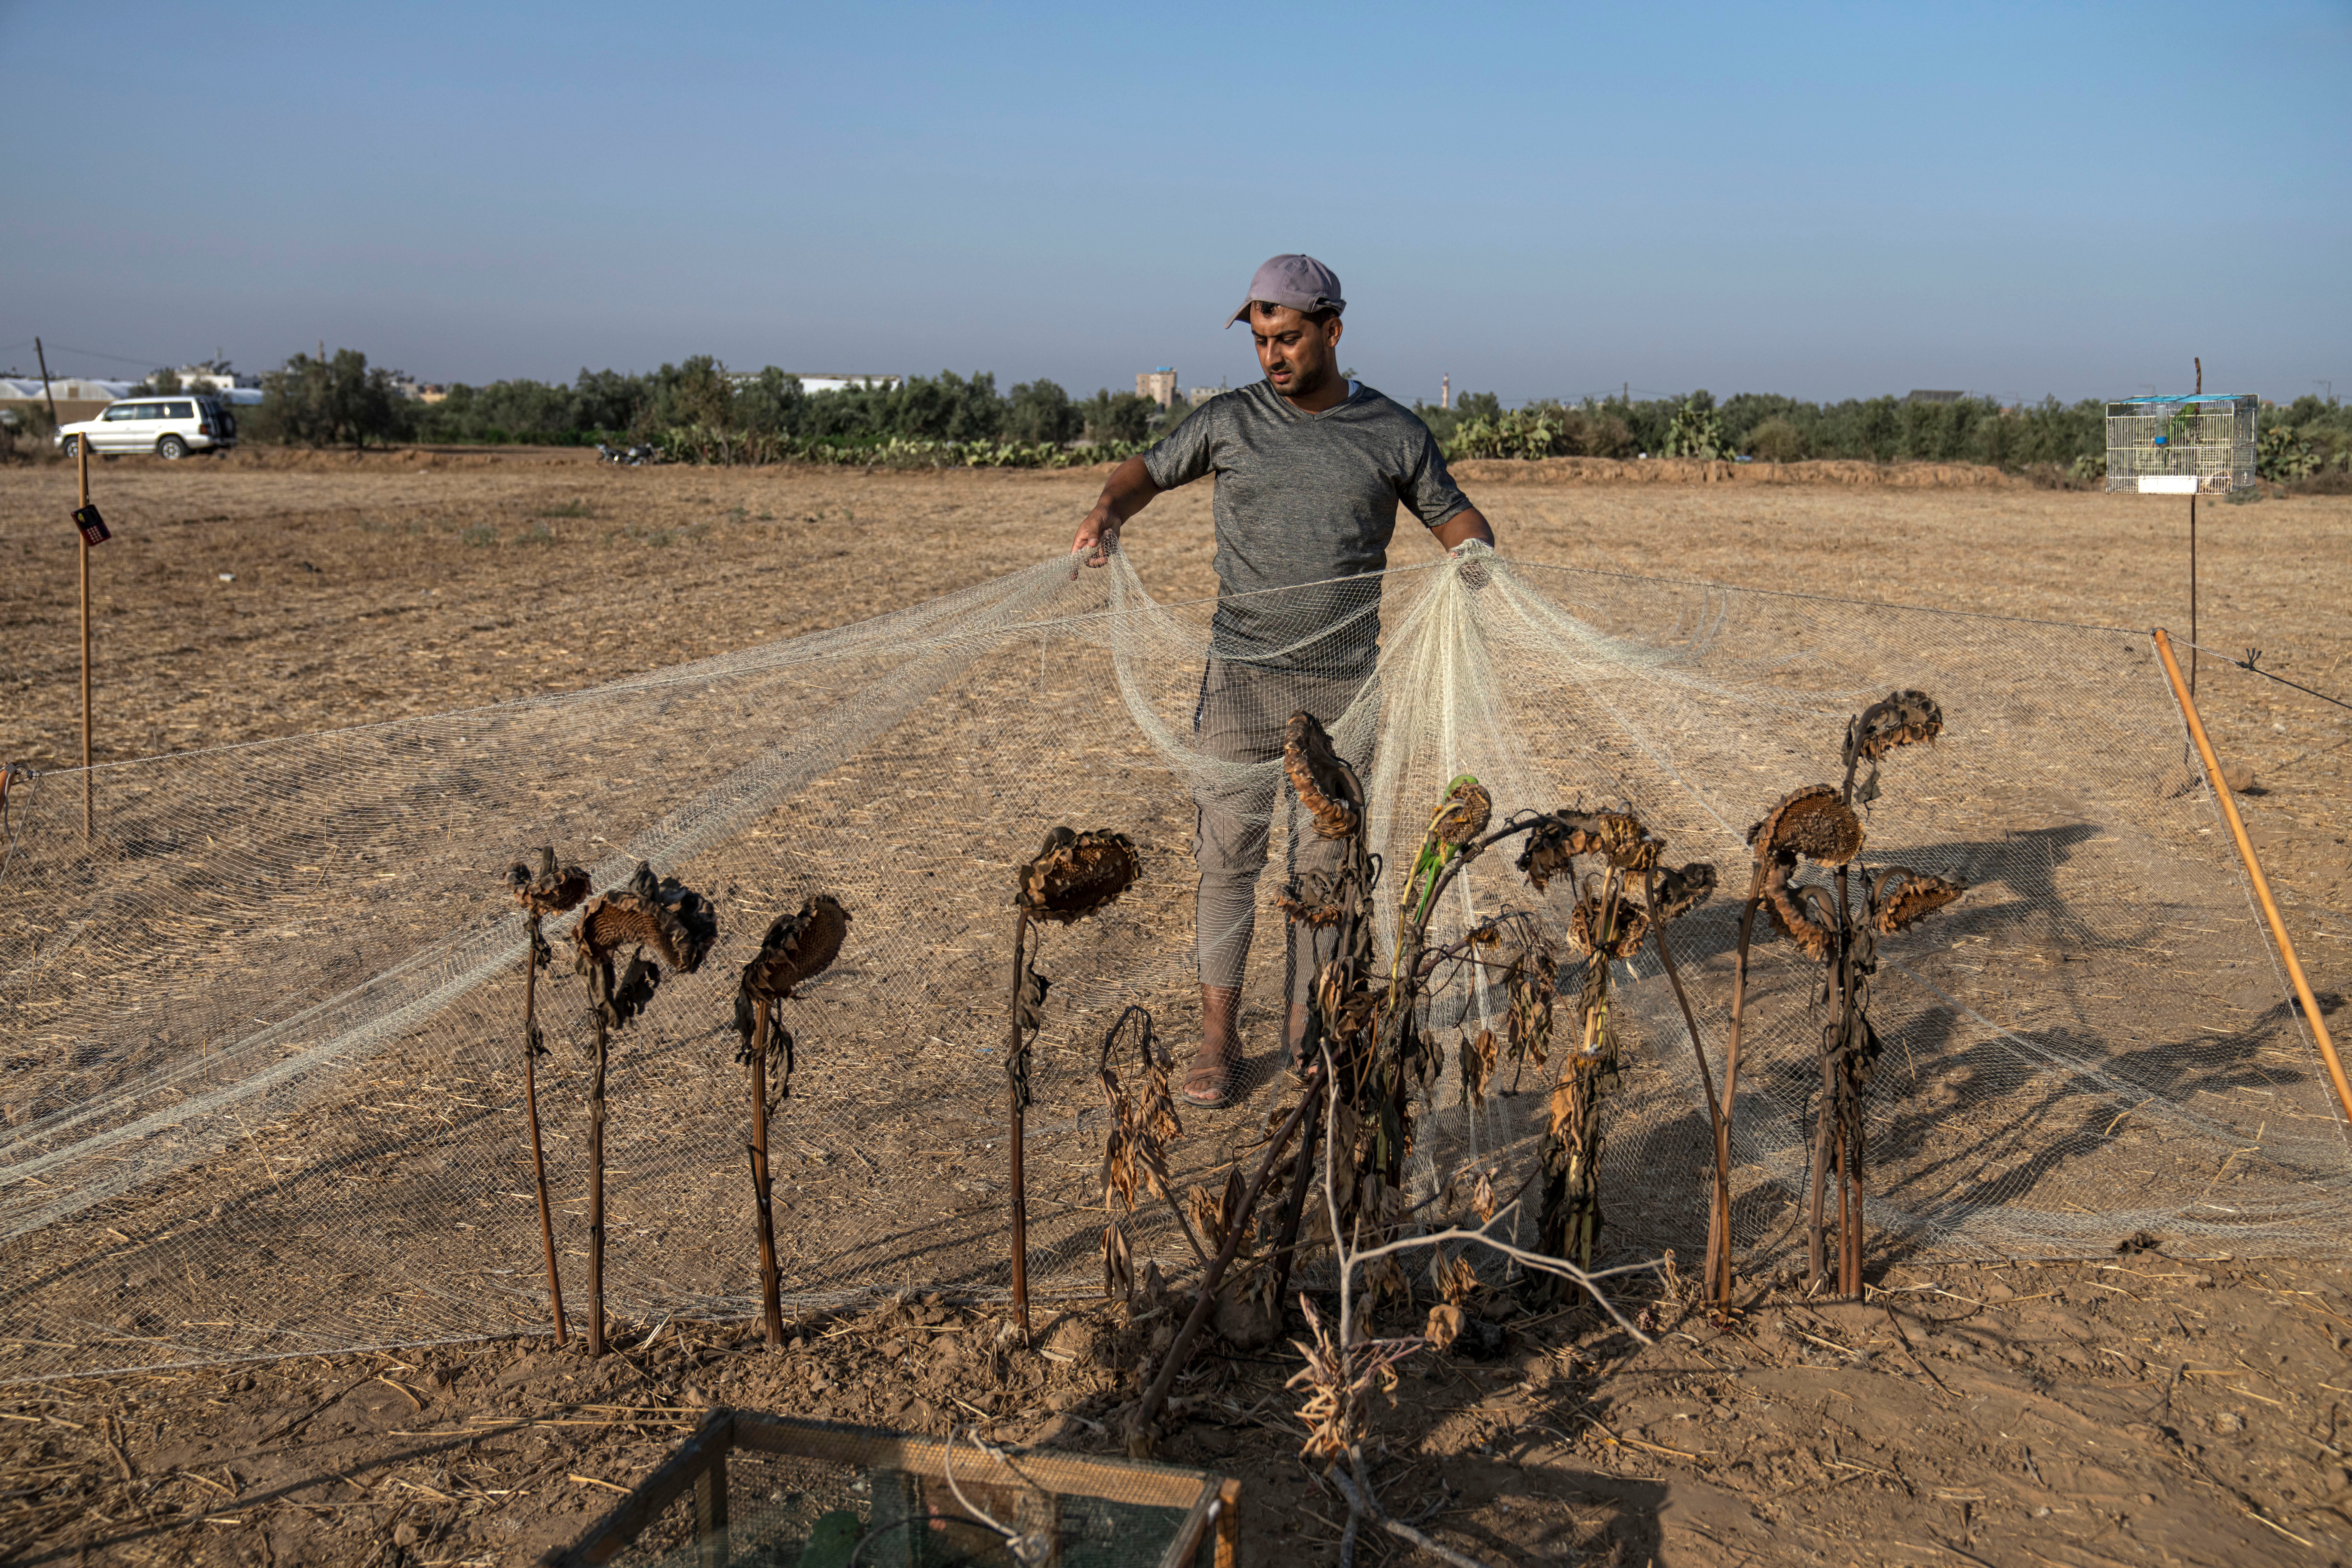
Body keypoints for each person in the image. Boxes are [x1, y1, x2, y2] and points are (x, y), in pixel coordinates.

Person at [1069, 253, 1496, 1107]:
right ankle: (1218, 1041)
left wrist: (1479, 564)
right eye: (1262, 340)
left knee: (1325, 871)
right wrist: (1107, 511)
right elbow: (1144, 473)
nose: (1272, 355)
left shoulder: (1395, 432)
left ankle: (1309, 1036)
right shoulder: (1229, 422)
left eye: (1289, 338)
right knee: (1228, 858)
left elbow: (1458, 521)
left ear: (1333, 330)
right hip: (1239, 680)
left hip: (1343, 690)